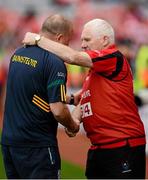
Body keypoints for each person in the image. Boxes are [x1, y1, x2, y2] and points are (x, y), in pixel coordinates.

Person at [22, 18, 146, 179]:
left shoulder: (113, 57)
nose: (82, 44)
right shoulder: (95, 71)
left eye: (87, 39)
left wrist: (38, 40)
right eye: (81, 40)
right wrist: (69, 110)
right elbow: (83, 98)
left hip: (122, 146)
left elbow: (73, 57)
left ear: (105, 40)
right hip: (100, 148)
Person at [1, 14, 80, 179]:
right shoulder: (54, 62)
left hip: (10, 142)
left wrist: (71, 99)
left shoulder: (18, 54)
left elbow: (34, 92)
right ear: (59, 38)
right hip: (37, 147)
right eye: (68, 41)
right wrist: (72, 126)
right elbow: (58, 110)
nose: (68, 45)